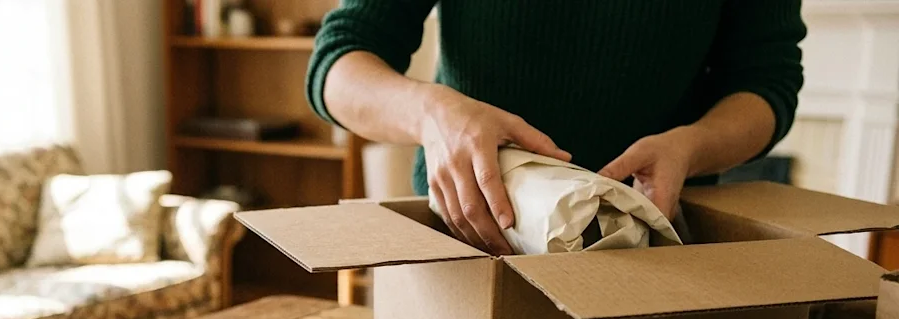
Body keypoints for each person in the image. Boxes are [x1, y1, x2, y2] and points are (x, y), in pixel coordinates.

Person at [306, 1, 805, 255]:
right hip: (468, 245)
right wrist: (430, 113)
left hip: (650, 253)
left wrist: (690, 148)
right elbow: (338, 65)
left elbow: (767, 82)